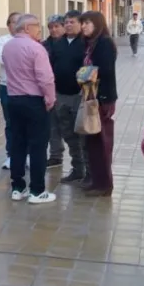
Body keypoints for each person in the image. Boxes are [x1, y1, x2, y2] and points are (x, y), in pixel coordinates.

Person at [2, 14, 57, 204]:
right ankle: (37, 190)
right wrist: (50, 100)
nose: (40, 31)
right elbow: (46, 79)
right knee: (38, 146)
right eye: (37, 27)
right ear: (27, 28)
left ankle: (18, 187)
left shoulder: (8, 47)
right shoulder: (36, 48)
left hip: (14, 100)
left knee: (18, 144)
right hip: (34, 102)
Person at [45, 10, 89, 181]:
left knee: (83, 137)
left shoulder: (85, 43)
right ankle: (77, 169)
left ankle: (88, 172)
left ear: (80, 24)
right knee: (69, 135)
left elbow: (90, 68)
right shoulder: (58, 43)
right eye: (67, 22)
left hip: (79, 95)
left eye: (72, 22)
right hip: (61, 95)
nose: (69, 25)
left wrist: (83, 89)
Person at [79, 11, 118, 196]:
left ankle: (104, 185)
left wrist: (85, 74)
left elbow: (106, 70)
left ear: (97, 23)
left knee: (102, 142)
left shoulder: (104, 43)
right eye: (83, 23)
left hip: (102, 98)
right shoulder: (89, 43)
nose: (84, 26)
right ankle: (96, 180)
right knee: (92, 141)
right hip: (91, 97)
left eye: (87, 23)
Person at [0, 12, 23, 170]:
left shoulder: (29, 40)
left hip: (26, 87)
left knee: (25, 123)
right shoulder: (2, 40)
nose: (16, 24)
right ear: (8, 24)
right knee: (11, 123)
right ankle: (11, 155)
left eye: (19, 21)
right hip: (7, 86)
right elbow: (2, 59)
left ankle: (25, 155)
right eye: (13, 22)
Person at [43, 15, 66, 168]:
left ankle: (80, 163)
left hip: (68, 90)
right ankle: (56, 155)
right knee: (52, 125)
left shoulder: (72, 43)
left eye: (57, 26)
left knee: (69, 127)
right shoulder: (44, 45)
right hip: (49, 89)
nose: (53, 29)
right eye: (51, 27)